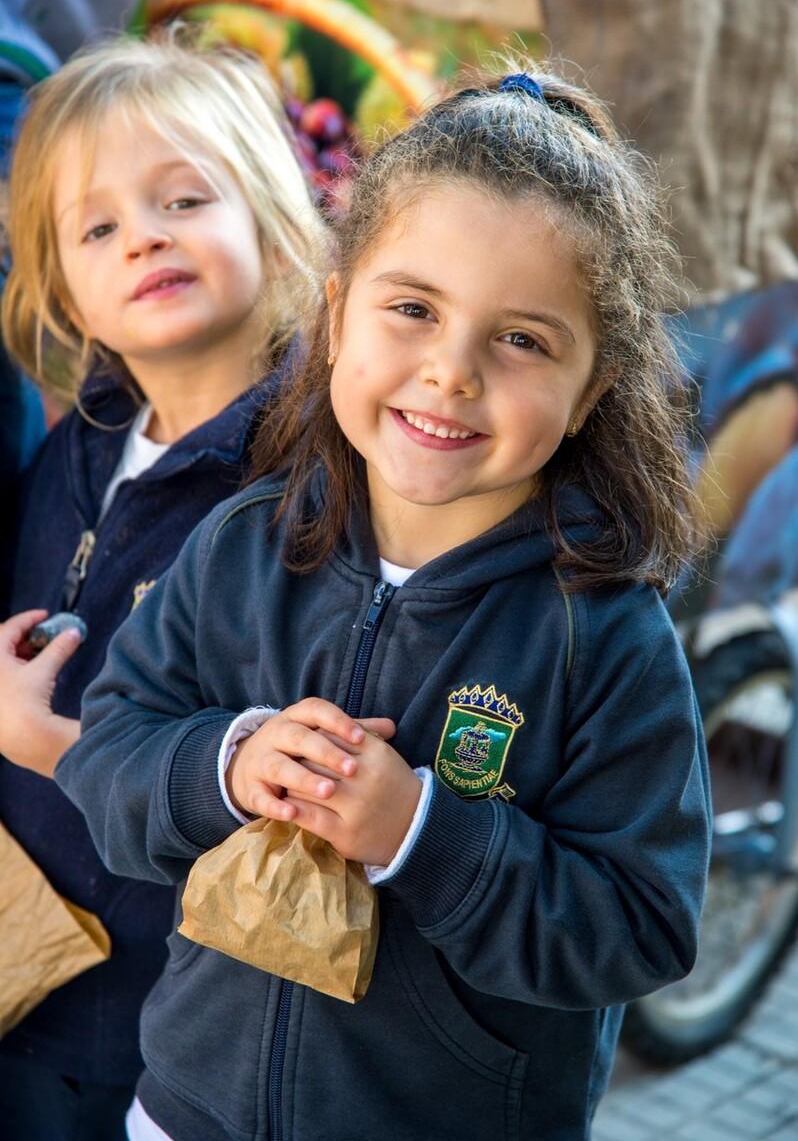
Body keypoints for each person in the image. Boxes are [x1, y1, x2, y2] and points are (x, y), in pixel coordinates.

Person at [58, 66, 711, 1141]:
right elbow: (107, 750)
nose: (449, 372)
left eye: (523, 339)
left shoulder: (605, 638)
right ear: (336, 308)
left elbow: (640, 927)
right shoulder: (241, 545)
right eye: (412, 308)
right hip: (187, 1109)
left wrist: (422, 832)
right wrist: (227, 760)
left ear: (594, 387)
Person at [0, 31, 327, 1140]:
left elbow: (290, 770)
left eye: (185, 199)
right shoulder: (78, 444)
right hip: (32, 964)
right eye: (99, 227)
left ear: (273, 221)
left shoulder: (307, 486)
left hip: (174, 1019)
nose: (144, 233)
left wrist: (55, 745)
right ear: (67, 289)